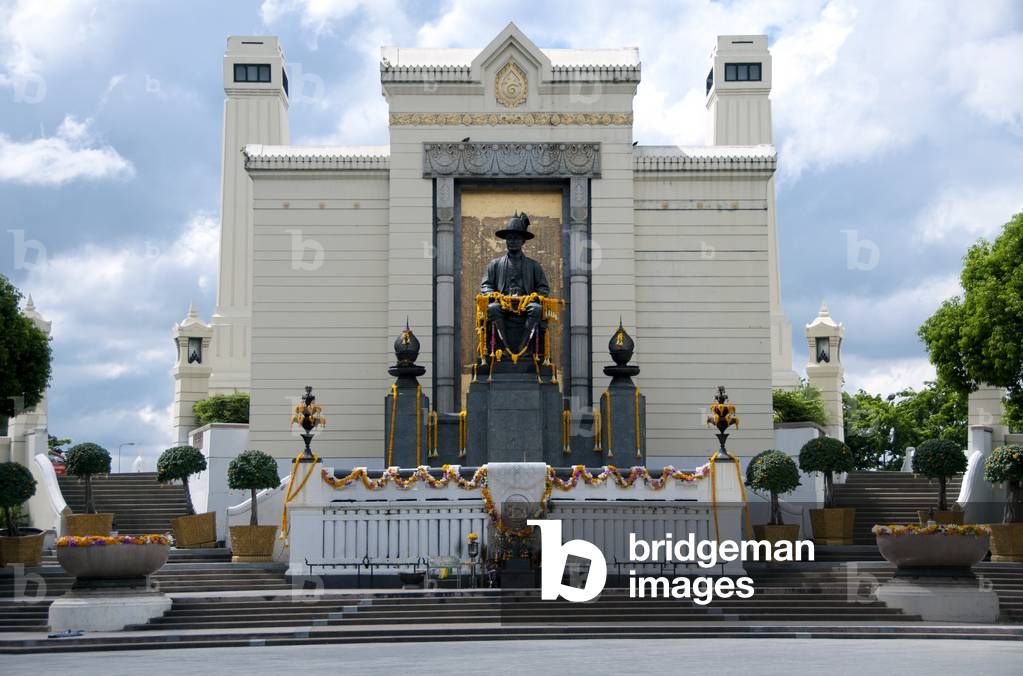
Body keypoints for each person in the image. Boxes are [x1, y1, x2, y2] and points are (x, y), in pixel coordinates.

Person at [479, 212, 551, 353]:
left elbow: (543, 287)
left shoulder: (533, 266)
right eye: (509, 238)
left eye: (516, 238)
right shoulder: (495, 264)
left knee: (536, 308)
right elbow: (485, 285)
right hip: (503, 303)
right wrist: (492, 294)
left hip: (525, 303)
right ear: (506, 241)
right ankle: (504, 347)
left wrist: (535, 296)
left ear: (523, 241)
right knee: (493, 308)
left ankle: (523, 347)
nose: (512, 241)